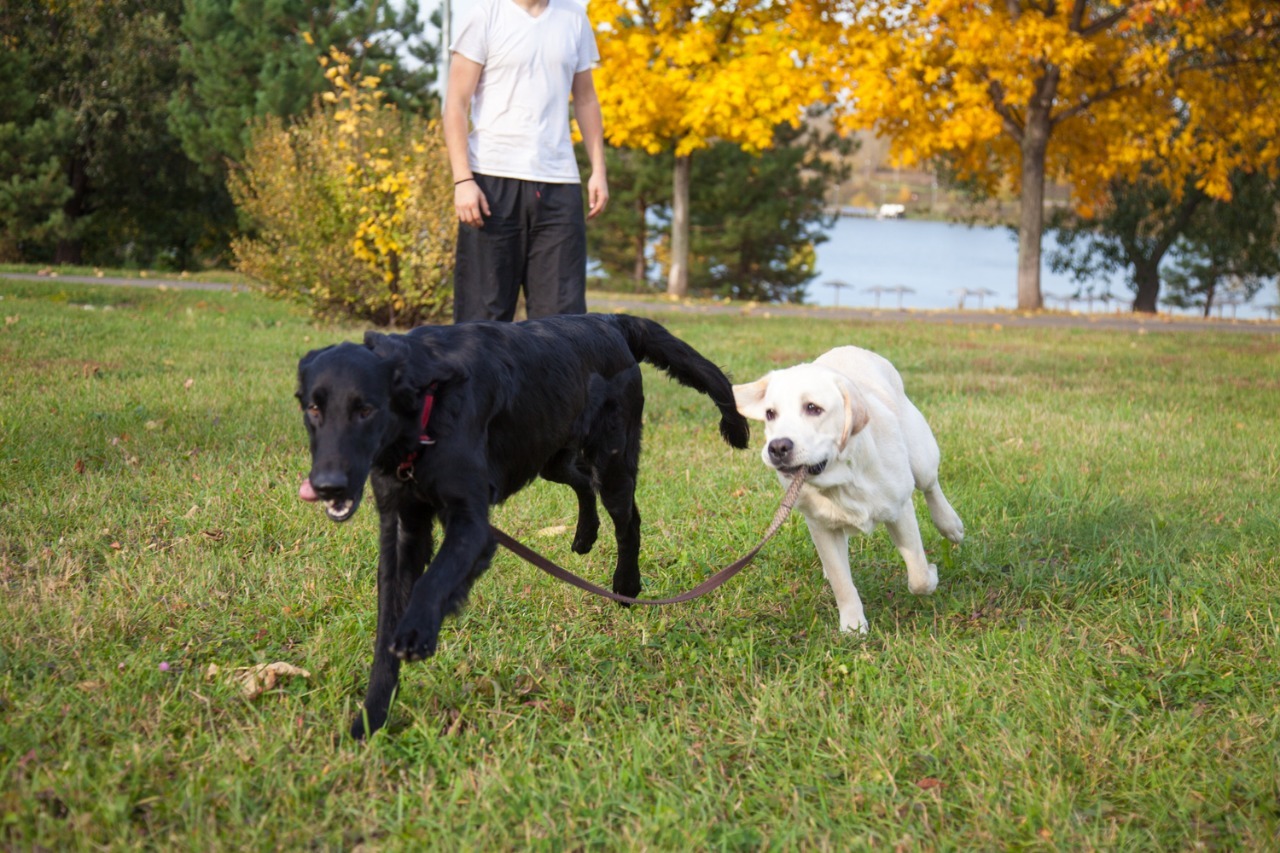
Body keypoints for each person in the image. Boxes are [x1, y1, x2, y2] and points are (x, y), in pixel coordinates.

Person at [444, 0, 609, 323]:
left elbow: (586, 99)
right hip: (491, 181)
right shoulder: (484, 13)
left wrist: (598, 170)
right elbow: (455, 104)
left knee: (563, 322)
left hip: (559, 181)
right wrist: (463, 180)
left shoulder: (573, 16)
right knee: (482, 318)